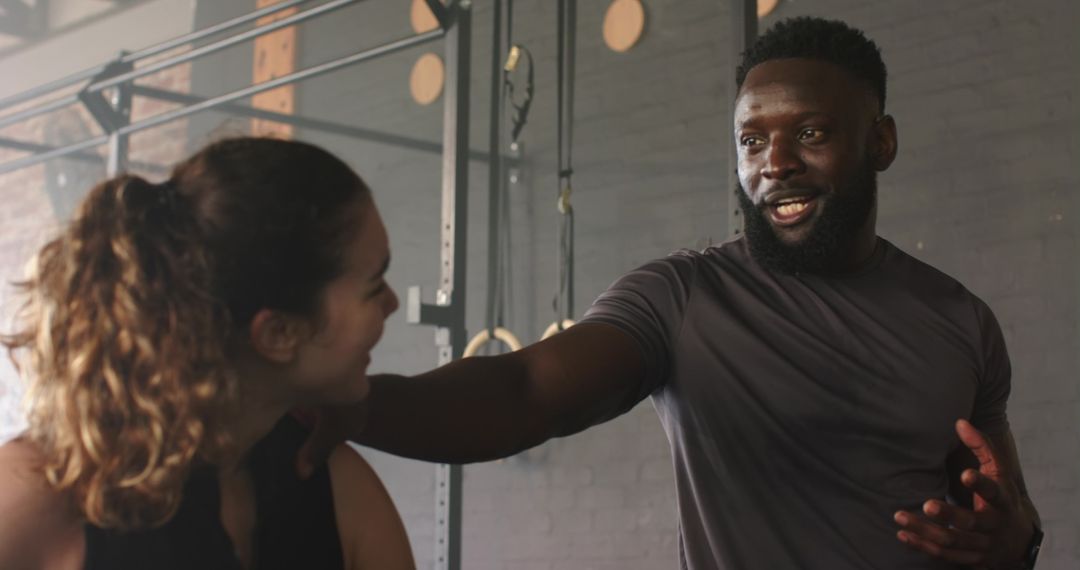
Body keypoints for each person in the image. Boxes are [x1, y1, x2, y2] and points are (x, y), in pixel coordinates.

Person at [301, 17, 1043, 570]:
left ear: (879, 142)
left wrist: (1015, 542)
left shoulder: (960, 320)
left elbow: (1006, 517)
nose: (774, 163)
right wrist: (353, 407)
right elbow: (525, 389)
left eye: (810, 132)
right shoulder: (684, 296)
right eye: (752, 140)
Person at [0, 137, 413, 570]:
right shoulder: (34, 498)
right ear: (278, 334)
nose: (392, 303)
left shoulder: (336, 487)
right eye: (373, 286)